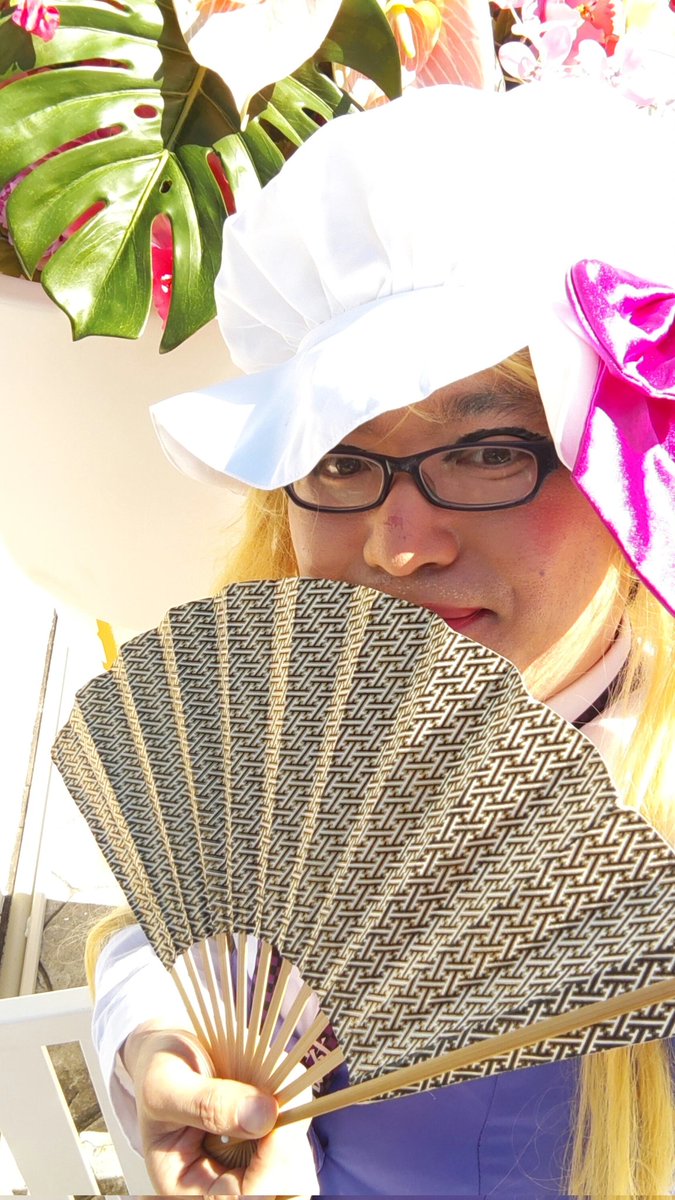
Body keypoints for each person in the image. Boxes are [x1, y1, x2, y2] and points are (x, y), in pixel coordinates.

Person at [85, 81, 675, 1196]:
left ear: (630, 473)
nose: (399, 546)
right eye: (340, 459)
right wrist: (158, 1034)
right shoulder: (297, 741)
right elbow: (169, 929)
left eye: (489, 451)